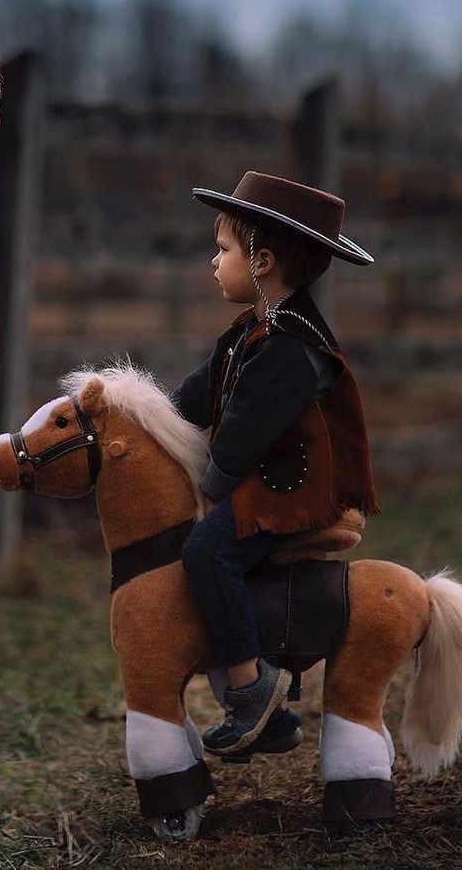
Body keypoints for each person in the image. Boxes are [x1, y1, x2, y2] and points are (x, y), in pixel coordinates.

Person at [171, 171, 379, 755]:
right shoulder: (248, 333)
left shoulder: (293, 346)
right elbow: (198, 395)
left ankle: (249, 686)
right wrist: (142, 414)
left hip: (295, 489)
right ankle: (279, 722)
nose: (214, 262)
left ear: (260, 262)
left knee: (207, 551)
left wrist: (210, 486)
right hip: (266, 479)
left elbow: (245, 430)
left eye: (223, 250)